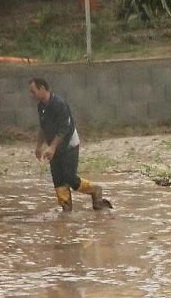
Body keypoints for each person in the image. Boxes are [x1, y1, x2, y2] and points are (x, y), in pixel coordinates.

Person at [29, 78, 112, 212]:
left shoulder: (60, 105)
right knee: (57, 179)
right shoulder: (41, 106)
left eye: (33, 91)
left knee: (69, 177)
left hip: (69, 145)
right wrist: (39, 146)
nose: (31, 95)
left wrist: (52, 147)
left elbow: (64, 129)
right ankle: (66, 210)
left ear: (43, 89)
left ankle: (95, 190)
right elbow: (43, 127)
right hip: (54, 147)